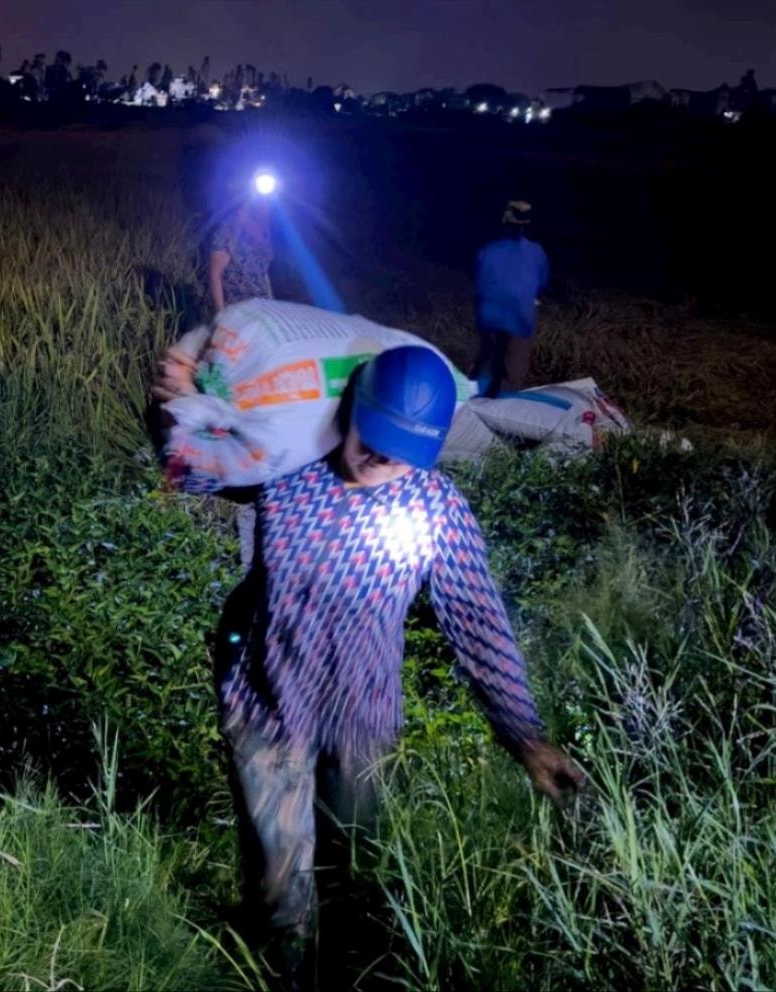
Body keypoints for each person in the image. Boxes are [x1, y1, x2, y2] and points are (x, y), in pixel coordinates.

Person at [214, 344, 585, 987]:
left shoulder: (434, 508)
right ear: (351, 410)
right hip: (269, 712)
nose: (380, 458)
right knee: (281, 890)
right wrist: (178, 397)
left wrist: (523, 736)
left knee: (356, 876)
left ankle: (350, 977)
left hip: (363, 722)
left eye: (401, 448)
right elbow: (192, 463)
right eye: (372, 436)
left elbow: (478, 624)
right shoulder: (287, 474)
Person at [472, 200, 550, 398]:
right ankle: (503, 409)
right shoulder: (536, 252)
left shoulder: (489, 250)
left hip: (491, 315)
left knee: (487, 360)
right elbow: (542, 282)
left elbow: (480, 284)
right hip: (521, 317)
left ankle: (475, 406)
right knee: (514, 368)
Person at [207, 192, 275, 315]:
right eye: (263, 200)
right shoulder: (229, 230)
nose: (266, 204)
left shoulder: (265, 232)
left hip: (262, 310)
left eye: (268, 201)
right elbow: (215, 275)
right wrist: (221, 317)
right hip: (237, 311)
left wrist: (271, 305)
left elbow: (264, 273)